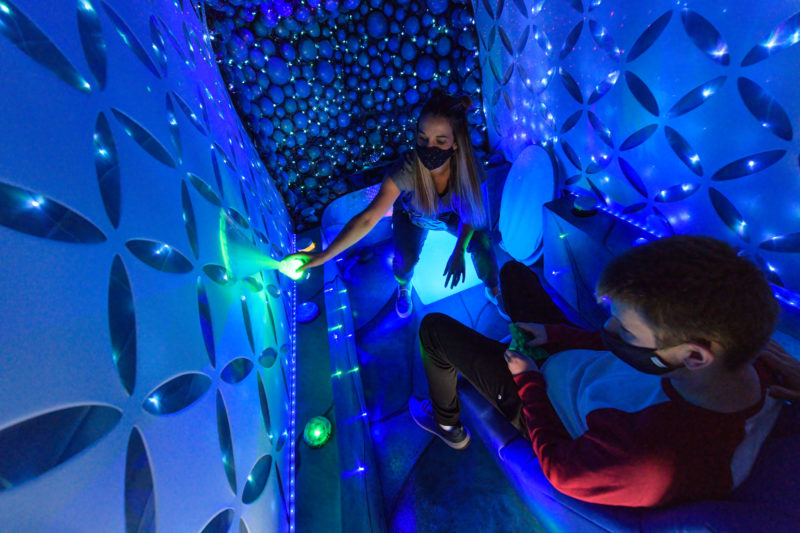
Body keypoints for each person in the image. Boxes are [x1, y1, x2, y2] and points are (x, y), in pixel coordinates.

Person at [409, 235, 800, 507]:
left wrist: (527, 381)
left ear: (694, 356)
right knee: (516, 274)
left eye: (625, 328)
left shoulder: (652, 458)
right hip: (580, 367)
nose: (609, 330)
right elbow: (614, 349)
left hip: (546, 402)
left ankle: (448, 425)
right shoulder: (757, 354)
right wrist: (556, 333)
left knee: (434, 330)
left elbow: (562, 471)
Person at [283, 89, 504, 318]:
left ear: (455, 144)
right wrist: (323, 255)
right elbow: (368, 218)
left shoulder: (469, 169)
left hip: (451, 216)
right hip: (412, 216)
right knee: (403, 262)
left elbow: (471, 215)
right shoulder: (407, 169)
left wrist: (459, 250)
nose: (428, 149)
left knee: (483, 242)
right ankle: (404, 286)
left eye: (440, 141)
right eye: (422, 138)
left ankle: (494, 289)